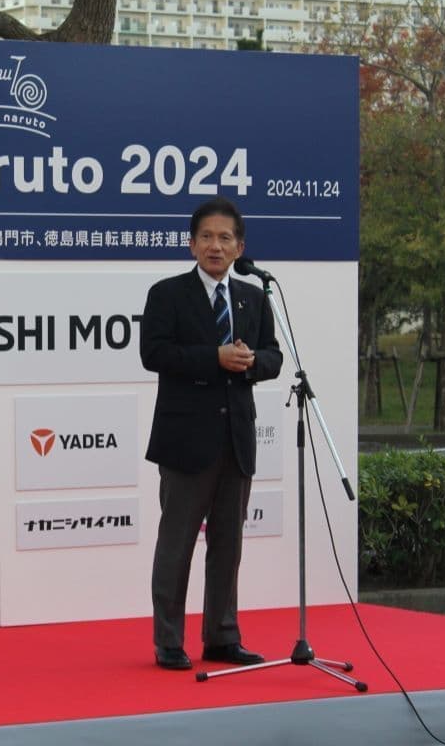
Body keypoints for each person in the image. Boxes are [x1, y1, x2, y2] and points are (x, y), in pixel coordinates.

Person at [140, 197, 283, 670]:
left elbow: (274, 356)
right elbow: (155, 354)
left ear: (240, 247)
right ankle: (168, 641)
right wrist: (214, 357)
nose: (215, 246)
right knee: (176, 544)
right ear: (191, 244)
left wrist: (250, 363)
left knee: (228, 545)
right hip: (185, 441)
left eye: (224, 238)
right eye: (206, 237)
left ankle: (222, 636)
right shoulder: (167, 294)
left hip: (235, 439)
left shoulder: (254, 297)